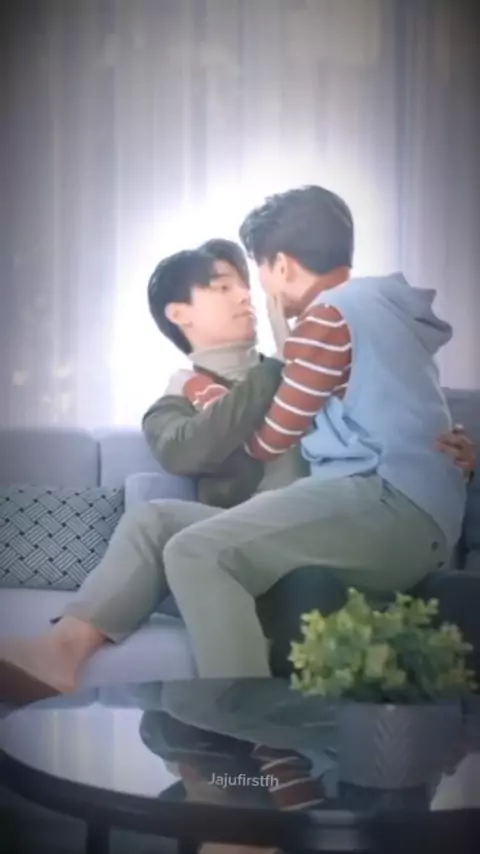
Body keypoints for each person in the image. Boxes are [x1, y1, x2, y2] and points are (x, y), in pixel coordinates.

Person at [0, 236, 474, 701]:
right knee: (154, 521)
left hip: (342, 536)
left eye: (246, 284)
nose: (247, 295)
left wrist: (456, 450)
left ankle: (248, 719)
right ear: (179, 313)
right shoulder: (175, 406)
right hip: (252, 553)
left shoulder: (313, 358)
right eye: (223, 287)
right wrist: (269, 368)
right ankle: (62, 651)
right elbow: (190, 449)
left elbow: (394, 411)